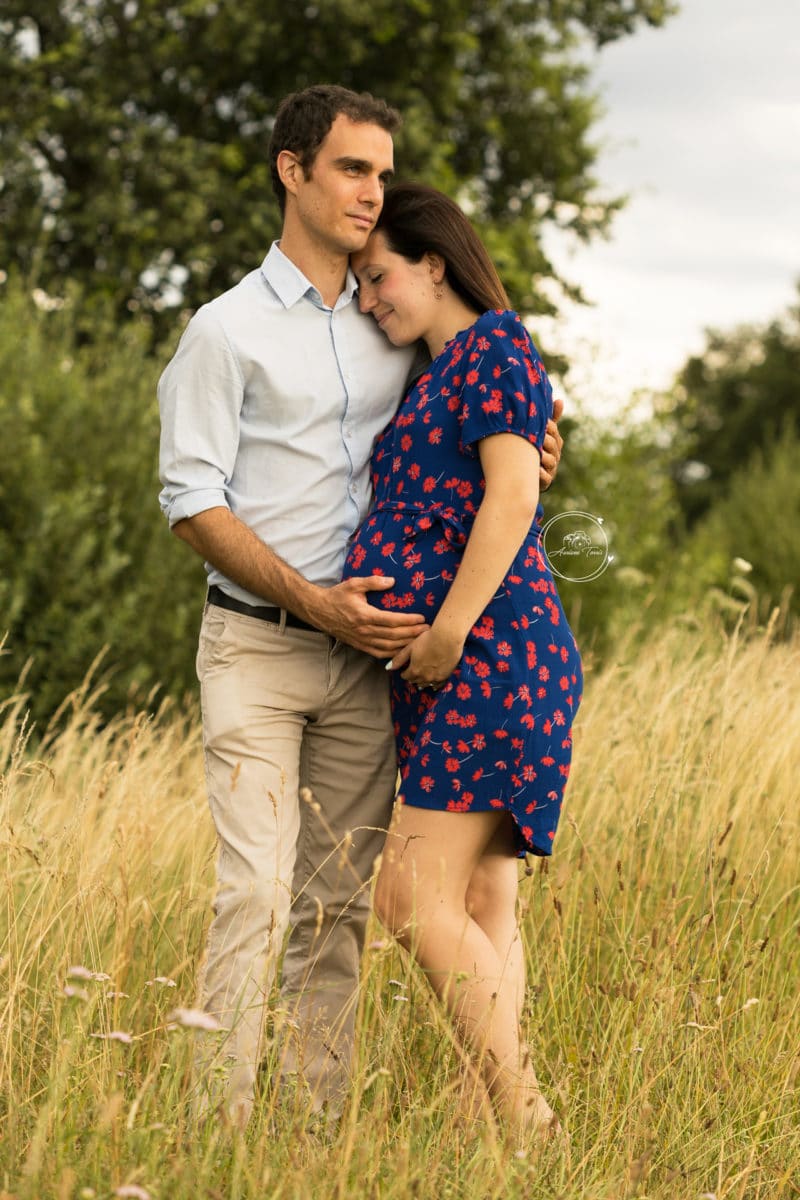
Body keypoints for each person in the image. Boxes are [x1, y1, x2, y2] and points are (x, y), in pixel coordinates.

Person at [158, 85, 563, 1129]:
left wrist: (536, 454)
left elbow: (494, 441)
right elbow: (190, 500)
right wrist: (319, 603)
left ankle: (307, 1133)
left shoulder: (398, 322)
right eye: (349, 168)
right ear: (291, 171)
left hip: (380, 666)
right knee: (256, 892)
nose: (368, 191)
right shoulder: (225, 331)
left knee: (339, 906)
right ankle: (218, 1132)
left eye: (381, 173)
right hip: (259, 646)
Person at [343, 182, 582, 1140]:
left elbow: (513, 502)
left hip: (489, 657)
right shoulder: (439, 373)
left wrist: (442, 633)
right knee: (482, 897)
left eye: (379, 276)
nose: (369, 299)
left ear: (434, 262)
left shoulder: (491, 345)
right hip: (467, 664)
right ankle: (500, 1121)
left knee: (407, 893)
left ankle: (527, 1112)